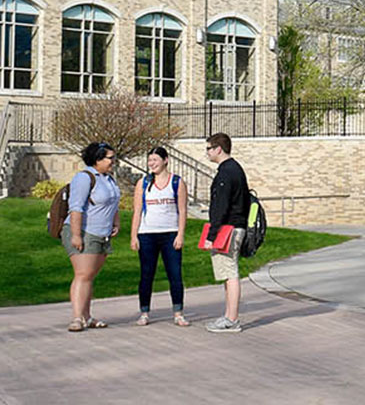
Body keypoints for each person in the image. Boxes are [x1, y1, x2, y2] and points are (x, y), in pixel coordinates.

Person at [63, 142, 122, 332]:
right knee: (83, 275)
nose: (114, 161)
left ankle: (87, 316)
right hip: (86, 232)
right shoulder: (84, 178)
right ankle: (77, 318)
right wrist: (76, 235)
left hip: (103, 234)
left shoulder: (108, 179)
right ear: (97, 159)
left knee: (89, 276)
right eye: (110, 158)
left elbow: (113, 203)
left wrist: (116, 222)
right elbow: (76, 208)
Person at [130, 146, 190, 327]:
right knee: (147, 274)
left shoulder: (177, 182)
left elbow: (182, 210)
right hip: (147, 234)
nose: (152, 164)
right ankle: (144, 312)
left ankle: (178, 313)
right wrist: (134, 236)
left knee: (175, 274)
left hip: (170, 234)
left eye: (155, 160)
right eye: (149, 160)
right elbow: (137, 211)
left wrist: (180, 234)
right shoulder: (143, 183)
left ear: (166, 160)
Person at [203, 132, 250, 333]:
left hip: (228, 229)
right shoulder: (236, 169)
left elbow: (220, 206)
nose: (207, 153)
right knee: (228, 273)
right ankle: (228, 316)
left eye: (208, 148)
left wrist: (211, 236)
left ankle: (231, 319)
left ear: (218, 149)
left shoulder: (226, 172)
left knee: (230, 273)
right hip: (236, 225)